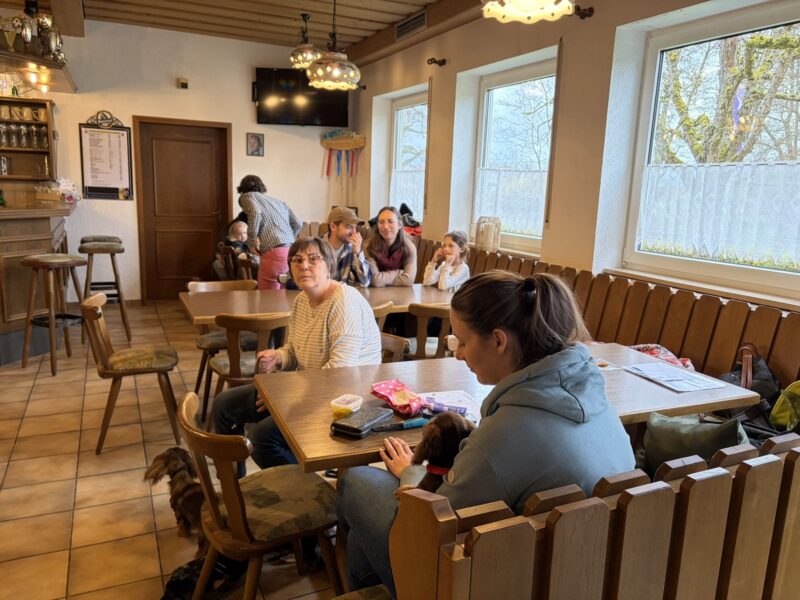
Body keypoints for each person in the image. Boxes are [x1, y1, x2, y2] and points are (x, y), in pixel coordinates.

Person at [336, 271, 636, 594]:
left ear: (498, 341)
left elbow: (431, 524)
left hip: (503, 584)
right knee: (364, 531)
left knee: (357, 481)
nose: (458, 353)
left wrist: (411, 474)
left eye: (463, 342)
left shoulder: (501, 437)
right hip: (586, 575)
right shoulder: (596, 397)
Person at [211, 237, 382, 475]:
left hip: (344, 401)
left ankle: (307, 487)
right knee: (223, 405)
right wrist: (279, 356)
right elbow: (293, 350)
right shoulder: (302, 300)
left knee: (262, 440)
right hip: (309, 390)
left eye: (313, 259)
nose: (304, 266)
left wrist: (282, 395)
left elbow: (339, 373)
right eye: (297, 260)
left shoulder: (344, 301)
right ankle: (234, 485)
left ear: (329, 266)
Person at [237, 175, 302, 290]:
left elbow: (255, 213)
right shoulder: (278, 202)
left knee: (266, 297)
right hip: (291, 251)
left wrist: (251, 244)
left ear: (242, 189)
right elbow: (297, 223)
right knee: (284, 295)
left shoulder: (246, 196)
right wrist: (286, 239)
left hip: (273, 253)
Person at [363, 206, 417, 287]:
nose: (385, 226)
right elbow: (375, 280)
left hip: (400, 292)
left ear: (399, 225)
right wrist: (399, 273)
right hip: (374, 292)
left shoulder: (409, 248)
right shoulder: (368, 246)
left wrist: (382, 279)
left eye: (390, 221)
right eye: (381, 222)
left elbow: (409, 280)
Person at [322, 206, 371, 287]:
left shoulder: (352, 249)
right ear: (333, 227)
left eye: (355, 227)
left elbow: (364, 283)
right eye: (349, 227)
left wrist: (358, 253)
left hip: (343, 294)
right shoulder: (316, 248)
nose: (353, 232)